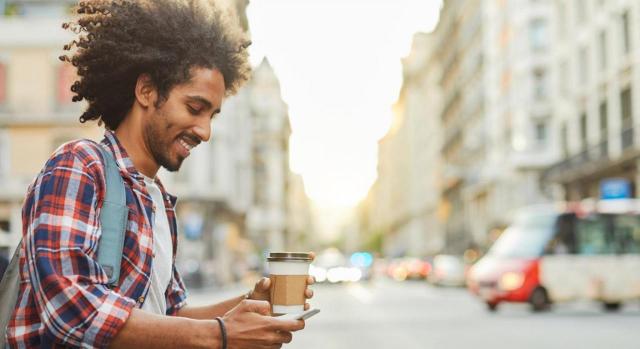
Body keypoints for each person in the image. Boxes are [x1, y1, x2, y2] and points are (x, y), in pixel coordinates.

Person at [5, 1, 314, 348]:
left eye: (212, 116)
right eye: (195, 108)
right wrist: (221, 334)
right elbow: (71, 308)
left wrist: (251, 304)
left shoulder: (157, 200)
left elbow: (166, 317)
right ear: (146, 91)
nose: (205, 131)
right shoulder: (79, 165)